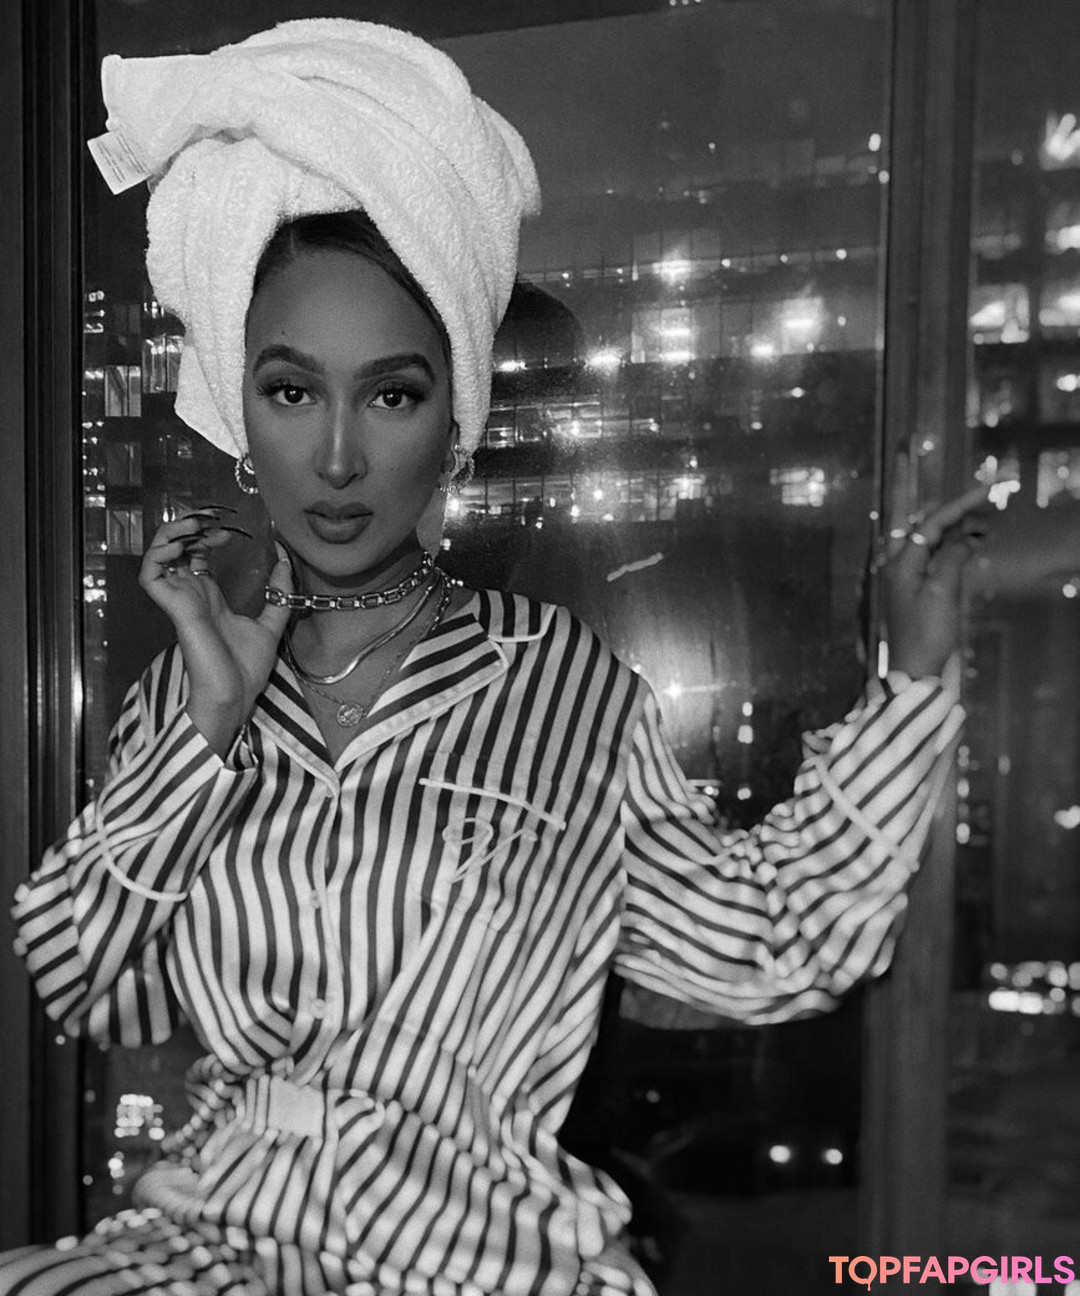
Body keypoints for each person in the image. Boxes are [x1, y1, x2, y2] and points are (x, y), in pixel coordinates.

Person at [4, 18, 986, 1296]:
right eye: (293, 391)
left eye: (392, 394)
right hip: (216, 1244)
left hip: (482, 1261)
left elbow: (766, 940)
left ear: (454, 422)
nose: (339, 457)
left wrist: (912, 680)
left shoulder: (566, 691)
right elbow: (83, 984)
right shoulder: (187, 693)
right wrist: (205, 729)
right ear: (240, 413)